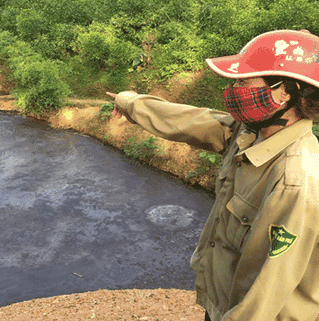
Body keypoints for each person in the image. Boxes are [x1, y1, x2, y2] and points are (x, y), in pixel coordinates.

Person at [106, 29, 319, 321]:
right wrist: (130, 103)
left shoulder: (295, 180)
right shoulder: (250, 132)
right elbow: (189, 120)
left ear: (285, 92)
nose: (233, 88)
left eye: (244, 80)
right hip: (224, 304)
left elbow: (266, 290)